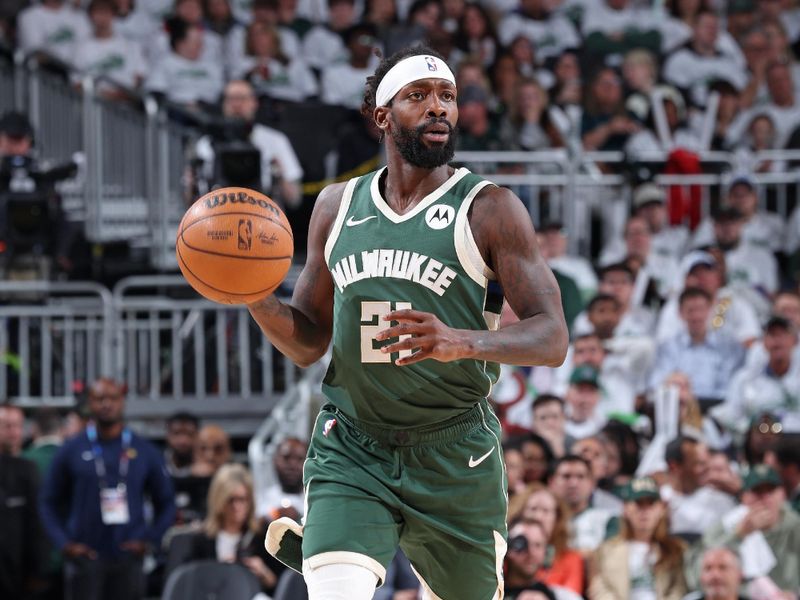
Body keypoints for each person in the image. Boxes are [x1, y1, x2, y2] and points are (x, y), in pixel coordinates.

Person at [247, 45, 568, 599]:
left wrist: (459, 341)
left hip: (454, 451)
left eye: (447, 96)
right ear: (382, 117)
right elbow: (307, 341)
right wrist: (254, 297)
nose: (437, 108)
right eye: (417, 97)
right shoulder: (335, 206)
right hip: (353, 443)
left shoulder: (489, 208)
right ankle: (337, 547)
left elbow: (553, 337)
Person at [39, 378, 176, 600]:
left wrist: (150, 540)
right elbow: (48, 501)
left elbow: (167, 502)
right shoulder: (71, 449)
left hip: (129, 557)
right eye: (99, 399)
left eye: (112, 398)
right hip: (85, 557)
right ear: (89, 404)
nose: (106, 404)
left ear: (122, 402)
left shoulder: (144, 450)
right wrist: (65, 544)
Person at [167, 463, 284, 595]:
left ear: (250, 501)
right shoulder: (201, 540)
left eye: (242, 499)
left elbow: (284, 589)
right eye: (230, 500)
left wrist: (264, 573)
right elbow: (188, 584)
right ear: (219, 500)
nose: (236, 506)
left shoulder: (264, 537)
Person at [195, 79, 303, 207]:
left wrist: (279, 175)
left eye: (242, 98)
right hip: (218, 216)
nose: (236, 104)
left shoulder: (276, 140)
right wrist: (191, 184)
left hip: (263, 215)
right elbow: (192, 201)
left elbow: (294, 199)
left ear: (254, 102)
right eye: (231, 99)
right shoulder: (206, 144)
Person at [696, 464, 800, 594]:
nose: (765, 499)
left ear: (782, 494)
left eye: (770, 491)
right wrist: (738, 535)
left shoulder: (795, 525)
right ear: (744, 497)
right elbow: (697, 574)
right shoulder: (726, 525)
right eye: (757, 492)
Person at [589, 477, 687, 600]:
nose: (644, 511)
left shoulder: (676, 549)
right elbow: (599, 589)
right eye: (638, 503)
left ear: (661, 509)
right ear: (625, 508)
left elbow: (679, 589)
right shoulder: (605, 550)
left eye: (650, 504)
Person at [649, 287, 744, 401]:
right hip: (681, 406)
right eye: (691, 310)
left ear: (711, 310)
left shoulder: (728, 345)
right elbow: (656, 383)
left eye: (701, 309)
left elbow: (735, 386)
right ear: (680, 313)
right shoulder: (668, 347)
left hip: (719, 408)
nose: (697, 316)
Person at [659, 436, 737, 540]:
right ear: (675, 467)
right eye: (697, 463)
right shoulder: (658, 502)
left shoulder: (720, 500)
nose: (705, 469)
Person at [0, 450, 44, 599]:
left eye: (17, 426)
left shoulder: (25, 468)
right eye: (8, 426)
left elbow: (35, 521)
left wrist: (36, 568)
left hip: (17, 568)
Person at [549, 455, 615, 552]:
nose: (573, 483)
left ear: (592, 483)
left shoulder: (608, 521)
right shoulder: (543, 519)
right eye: (566, 476)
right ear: (552, 482)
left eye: (580, 477)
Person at [503, 519, 558, 600]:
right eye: (521, 543)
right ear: (508, 545)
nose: (531, 552)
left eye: (537, 545)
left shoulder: (548, 593)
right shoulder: (491, 589)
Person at [256, 436, 306, 522]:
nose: (292, 465)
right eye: (286, 458)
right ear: (275, 461)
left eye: (299, 459)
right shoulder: (261, 499)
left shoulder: (315, 500)